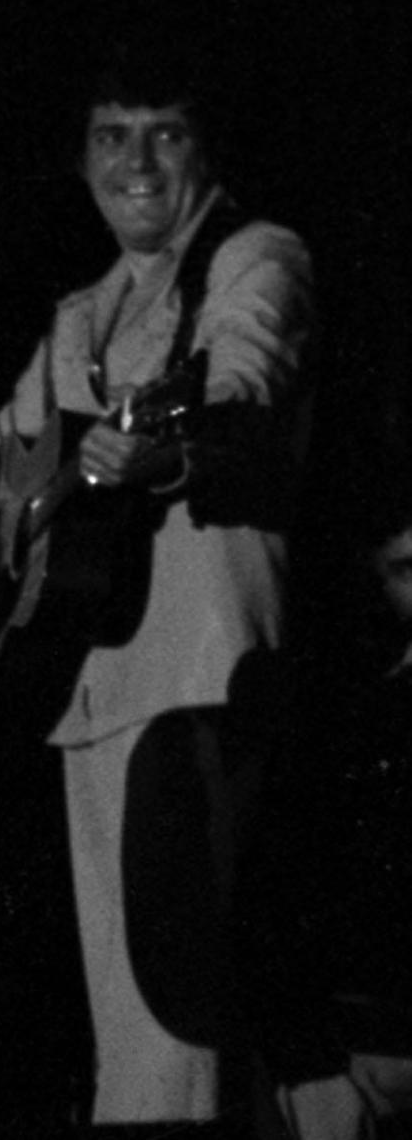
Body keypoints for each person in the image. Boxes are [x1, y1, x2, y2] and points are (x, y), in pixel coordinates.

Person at [0, 39, 315, 1131]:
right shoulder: (79, 312)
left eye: (165, 133)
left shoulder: (253, 256)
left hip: (200, 692)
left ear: (205, 148)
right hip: (88, 692)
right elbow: (0, 477)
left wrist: (168, 452)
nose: (139, 163)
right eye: (112, 137)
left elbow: (244, 378)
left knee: (197, 1034)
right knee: (132, 1034)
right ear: (80, 162)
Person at [256, 485, 412, 1140]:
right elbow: (276, 887)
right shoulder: (345, 723)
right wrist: (310, 1062)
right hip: (365, 1056)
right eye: (407, 569)